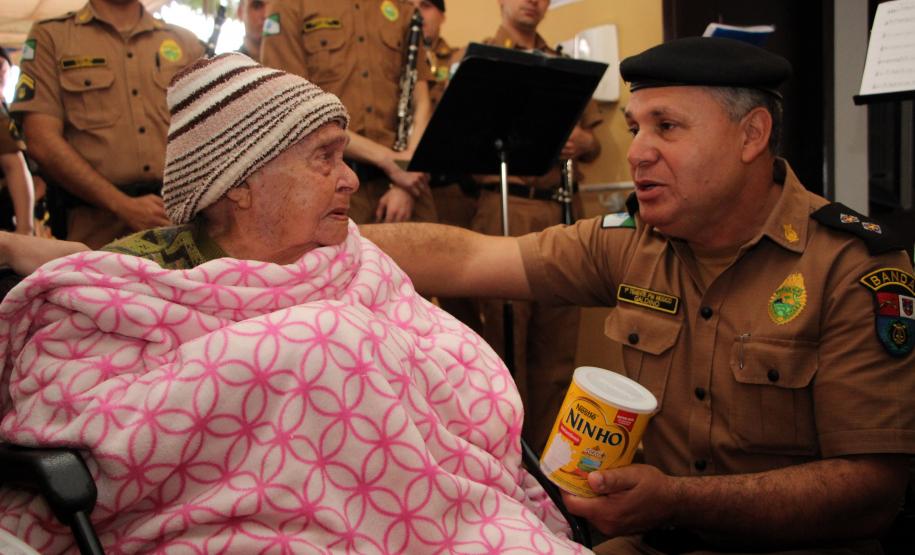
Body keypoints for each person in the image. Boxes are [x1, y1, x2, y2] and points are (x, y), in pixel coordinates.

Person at [0, 53, 582, 554]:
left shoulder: (354, 260)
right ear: (240, 183)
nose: (350, 180)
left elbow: (456, 387)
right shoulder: (132, 287)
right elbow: (86, 437)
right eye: (325, 157)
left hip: (434, 510)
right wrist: (302, 348)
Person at [362, 37, 915, 554]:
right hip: (655, 539)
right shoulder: (630, 244)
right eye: (635, 128)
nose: (638, 153)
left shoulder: (851, 266)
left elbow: (871, 490)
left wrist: (677, 499)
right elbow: (469, 258)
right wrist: (327, 237)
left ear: (752, 135)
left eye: (667, 127)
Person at [471, 0, 603, 452]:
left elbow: (595, 140)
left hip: (561, 211)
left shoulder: (567, 65)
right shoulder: (478, 60)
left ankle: (551, 469)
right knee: (503, 351)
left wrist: (584, 141)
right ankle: (507, 464)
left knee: (558, 356)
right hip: (503, 208)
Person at [10, 0, 203, 248]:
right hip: (93, 230)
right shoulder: (52, 37)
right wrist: (121, 204)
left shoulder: (184, 42)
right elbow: (42, 140)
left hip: (179, 224)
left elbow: (210, 128)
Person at [260, 0, 438, 224]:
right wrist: (387, 160)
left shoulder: (402, 7)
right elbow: (292, 106)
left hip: (406, 186)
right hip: (328, 185)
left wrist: (408, 176)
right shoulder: (289, 6)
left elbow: (420, 100)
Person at [0, 47, 36, 235]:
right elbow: (15, 167)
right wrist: (25, 228)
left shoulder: (8, 113)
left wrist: (25, 228)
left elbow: (17, 168)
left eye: (0, 68)